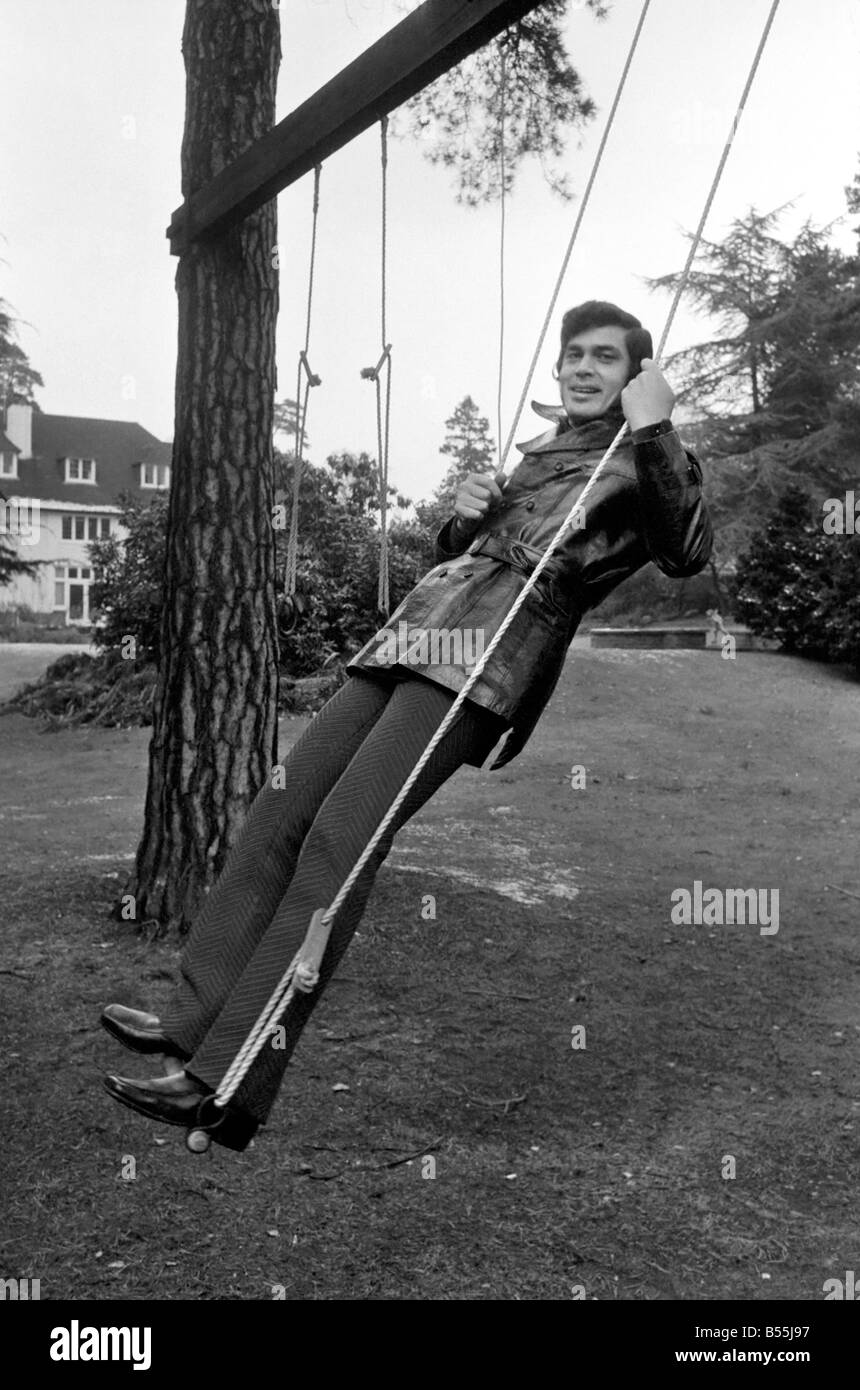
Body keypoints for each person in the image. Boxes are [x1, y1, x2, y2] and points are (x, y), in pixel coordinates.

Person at [102, 300, 713, 1152]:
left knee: (339, 843)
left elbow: (687, 549)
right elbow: (459, 556)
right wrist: (463, 518)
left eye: (604, 358)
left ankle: (229, 1079)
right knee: (280, 814)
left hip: (486, 661)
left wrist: (657, 430)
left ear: (636, 375)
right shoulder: (543, 452)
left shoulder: (644, 456)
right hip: (413, 634)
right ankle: (194, 1018)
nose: (581, 368)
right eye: (573, 354)